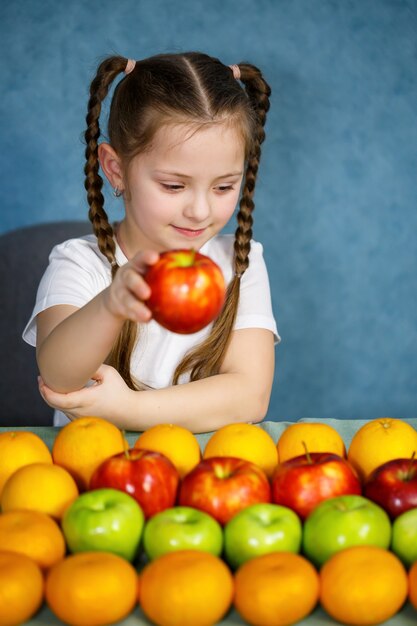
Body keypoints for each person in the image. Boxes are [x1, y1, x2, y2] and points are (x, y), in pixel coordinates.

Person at [23, 52, 279, 432]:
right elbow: (58, 376)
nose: (199, 209)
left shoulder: (240, 262)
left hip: (203, 473)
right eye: (174, 186)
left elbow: (249, 395)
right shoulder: (78, 262)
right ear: (116, 169)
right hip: (95, 467)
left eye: (224, 186)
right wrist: (111, 304)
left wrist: (127, 409)